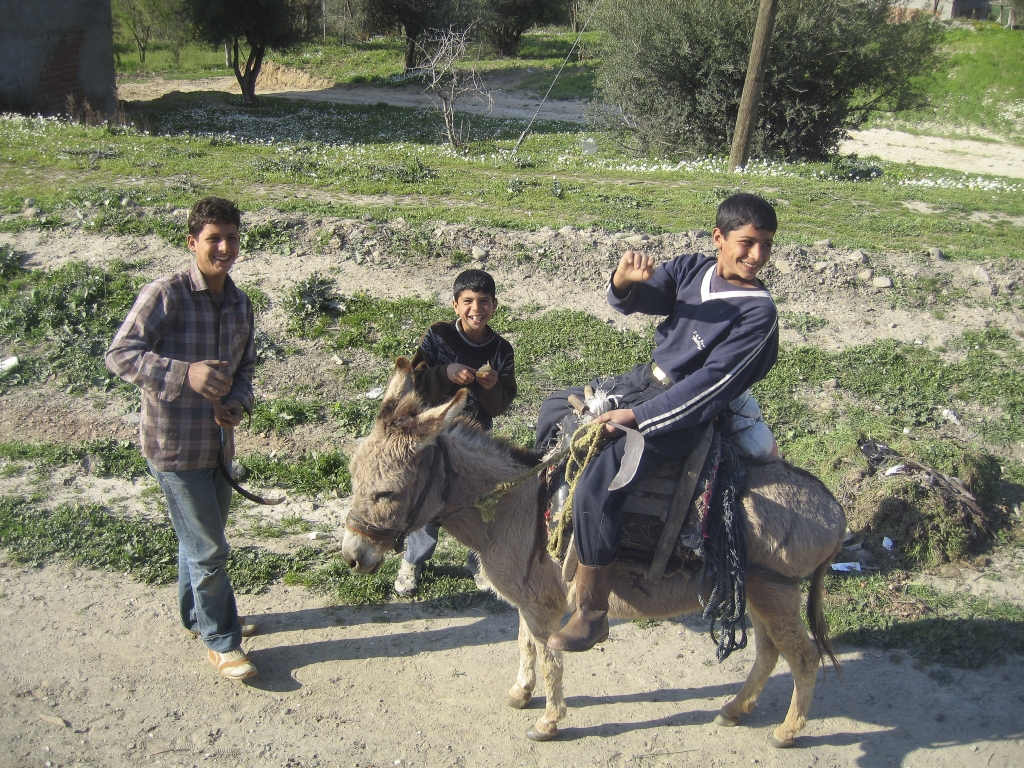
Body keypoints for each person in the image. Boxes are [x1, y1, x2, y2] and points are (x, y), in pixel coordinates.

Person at [536, 192, 780, 653]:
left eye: (766, 245)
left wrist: (637, 418)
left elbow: (709, 387)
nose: (757, 255)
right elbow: (645, 297)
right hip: (645, 380)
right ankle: (549, 526)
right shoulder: (693, 269)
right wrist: (624, 281)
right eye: (747, 242)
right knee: (554, 409)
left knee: (603, 475)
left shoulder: (757, 313)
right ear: (718, 238)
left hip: (686, 412)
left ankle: (592, 609)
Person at [106, 197, 259, 681]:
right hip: (173, 448)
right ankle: (222, 640)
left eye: (231, 238)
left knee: (196, 542)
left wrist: (238, 401)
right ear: (192, 242)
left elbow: (246, 369)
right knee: (210, 549)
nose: (224, 247)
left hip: (217, 448)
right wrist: (184, 373)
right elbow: (119, 354)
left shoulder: (240, 302)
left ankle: (197, 617)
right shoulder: (165, 295)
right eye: (214, 238)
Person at [394, 269, 517, 595]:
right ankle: (413, 560)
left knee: (477, 503)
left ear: (494, 305)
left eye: (484, 302)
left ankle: (479, 563)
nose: (476, 308)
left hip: (475, 442)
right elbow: (415, 383)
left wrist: (490, 388)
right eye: (468, 301)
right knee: (428, 502)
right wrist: (445, 372)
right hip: (436, 437)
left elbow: (501, 403)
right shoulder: (438, 337)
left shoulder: (501, 351)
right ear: (455, 305)